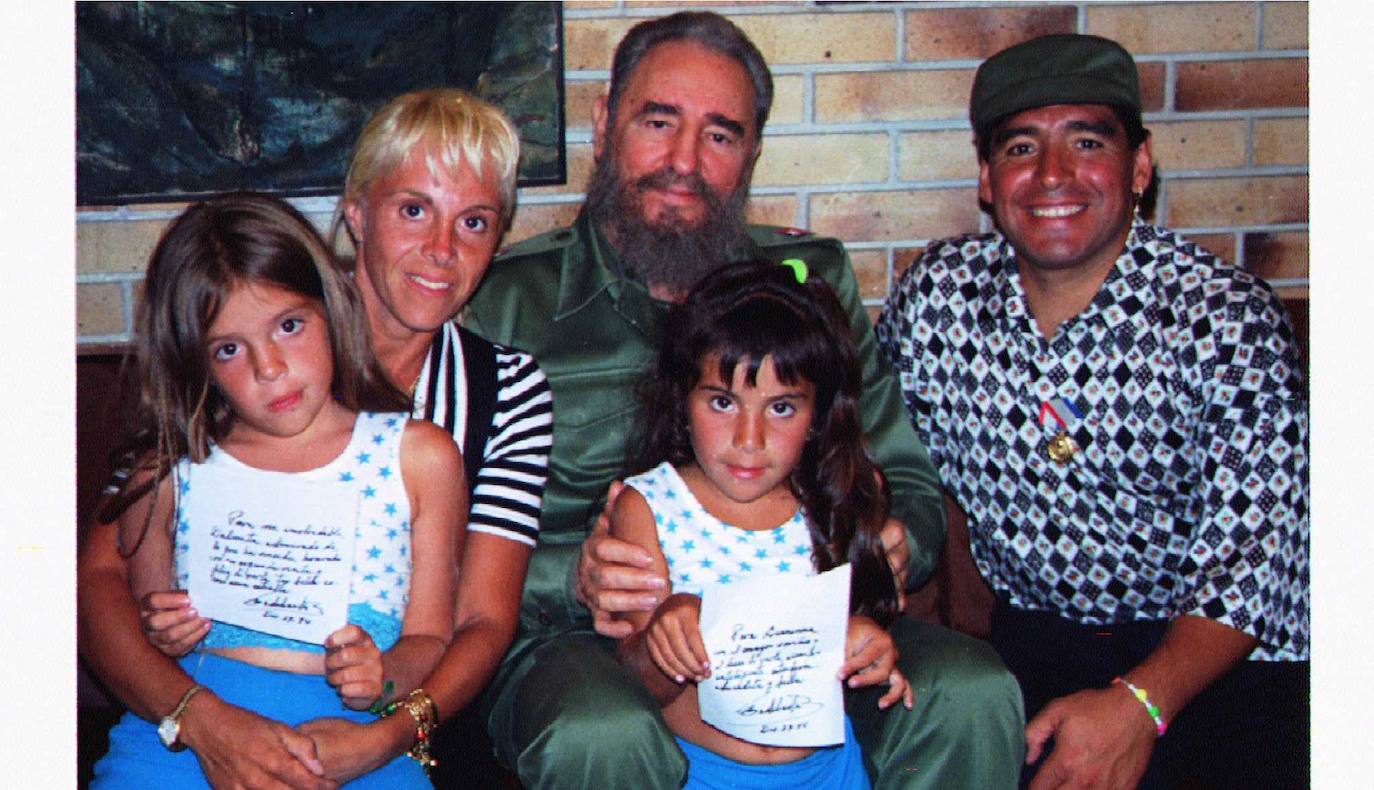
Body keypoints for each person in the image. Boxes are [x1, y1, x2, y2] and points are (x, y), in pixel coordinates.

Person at [464, 11, 1023, 789]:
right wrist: (576, 578)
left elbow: (909, 482)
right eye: (659, 122)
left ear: (751, 153)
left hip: (806, 629)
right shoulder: (503, 304)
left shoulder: (810, 287)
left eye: (721, 135)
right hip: (574, 643)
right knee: (600, 733)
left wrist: (895, 543)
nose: (684, 161)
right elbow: (433, 541)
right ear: (605, 124)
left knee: (969, 692)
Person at [81, 90, 554, 786]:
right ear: (357, 213)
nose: (441, 250)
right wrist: (200, 714)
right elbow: (105, 573)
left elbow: (479, 621)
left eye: (474, 221)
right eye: (414, 209)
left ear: (498, 241)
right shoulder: (252, 316)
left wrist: (384, 737)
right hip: (199, 709)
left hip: (383, 720)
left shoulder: (503, 392)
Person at [876, 33, 1310, 789]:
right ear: (986, 178)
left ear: (1139, 166)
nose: (1052, 175)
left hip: (1213, 662)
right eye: (1020, 148)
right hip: (1035, 644)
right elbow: (868, 447)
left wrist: (1141, 705)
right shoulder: (937, 300)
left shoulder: (1225, 318)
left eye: (1086, 141)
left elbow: (1256, 563)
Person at [86, 193, 463, 788]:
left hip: (351, 734)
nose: (269, 367)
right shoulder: (172, 471)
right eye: (230, 349)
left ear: (330, 307)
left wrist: (383, 677)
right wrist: (163, 628)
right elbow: (145, 623)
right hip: (188, 729)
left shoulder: (417, 457)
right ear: (198, 364)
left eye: (289, 326)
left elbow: (432, 636)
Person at [613, 260, 916, 789]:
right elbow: (639, 682)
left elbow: (859, 637)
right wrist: (669, 625)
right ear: (683, 399)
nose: (749, 438)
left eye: (780, 408)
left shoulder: (834, 499)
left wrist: (869, 644)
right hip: (705, 774)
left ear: (818, 414)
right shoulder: (652, 506)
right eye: (724, 402)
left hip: (831, 773)